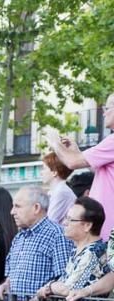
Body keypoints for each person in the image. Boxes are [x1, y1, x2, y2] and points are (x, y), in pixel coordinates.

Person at [46, 93, 114, 238]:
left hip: (107, 229)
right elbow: (98, 169)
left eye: (107, 108)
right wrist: (77, 151)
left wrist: (54, 142)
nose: (103, 113)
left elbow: (72, 162)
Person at [42, 151, 77, 227]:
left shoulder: (61, 192)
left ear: (54, 172)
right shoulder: (58, 191)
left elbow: (49, 221)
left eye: (44, 169)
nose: (41, 172)